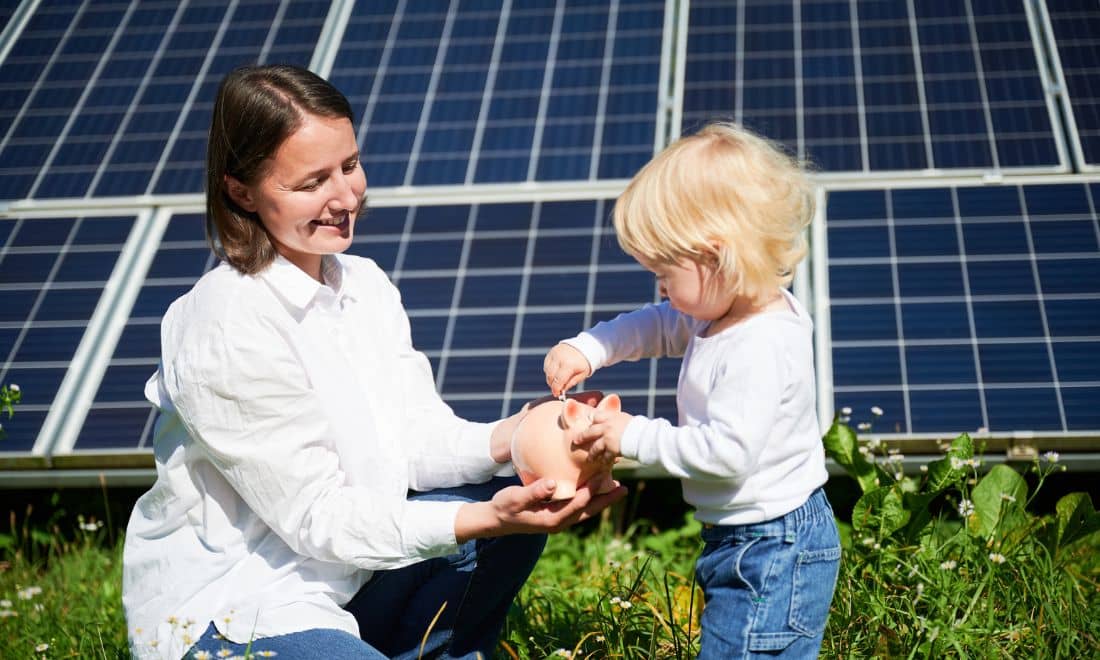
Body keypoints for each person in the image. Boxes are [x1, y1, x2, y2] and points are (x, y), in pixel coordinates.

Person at [122, 64, 626, 660]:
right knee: (489, 518)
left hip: (349, 578)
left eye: (350, 166)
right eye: (311, 183)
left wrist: (526, 432)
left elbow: (413, 438)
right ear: (241, 190)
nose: (345, 199)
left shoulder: (363, 284)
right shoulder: (224, 322)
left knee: (511, 498)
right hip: (240, 605)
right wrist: (485, 518)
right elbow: (318, 518)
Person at [544, 122, 840, 658]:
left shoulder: (759, 344)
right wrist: (590, 348)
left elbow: (724, 454)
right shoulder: (724, 310)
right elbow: (656, 325)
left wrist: (630, 434)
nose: (659, 287)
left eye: (663, 272)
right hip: (747, 538)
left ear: (717, 256)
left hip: (773, 546)